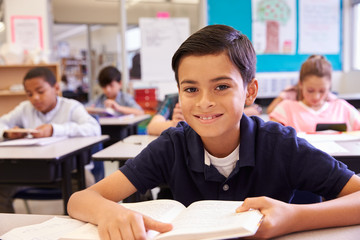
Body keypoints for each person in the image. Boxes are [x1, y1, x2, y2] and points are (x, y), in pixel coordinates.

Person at [68, 25, 360, 239]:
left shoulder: (279, 144)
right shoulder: (172, 145)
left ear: (250, 91)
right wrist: (109, 211)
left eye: (221, 86)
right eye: (191, 89)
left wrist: (293, 217)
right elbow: (79, 200)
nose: (204, 101)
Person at [0, 67, 101, 213]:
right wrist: (7, 133)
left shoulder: (71, 107)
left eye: (40, 91)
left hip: (70, 170)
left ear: (56, 88)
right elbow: (2, 123)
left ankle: (74, 232)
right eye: (29, 94)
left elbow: (93, 128)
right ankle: (5, 233)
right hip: (30, 171)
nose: (35, 98)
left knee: (86, 186)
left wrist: (55, 130)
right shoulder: (24, 109)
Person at [269, 55, 360, 133]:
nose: (316, 97)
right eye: (310, 90)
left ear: (329, 87)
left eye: (322, 91)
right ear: (300, 84)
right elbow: (271, 138)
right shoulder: (285, 109)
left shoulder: (342, 107)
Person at [147, 93, 262, 136]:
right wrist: (176, 123)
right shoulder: (172, 100)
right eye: (191, 89)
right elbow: (152, 127)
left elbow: (255, 109)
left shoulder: (224, 96)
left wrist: (221, 115)